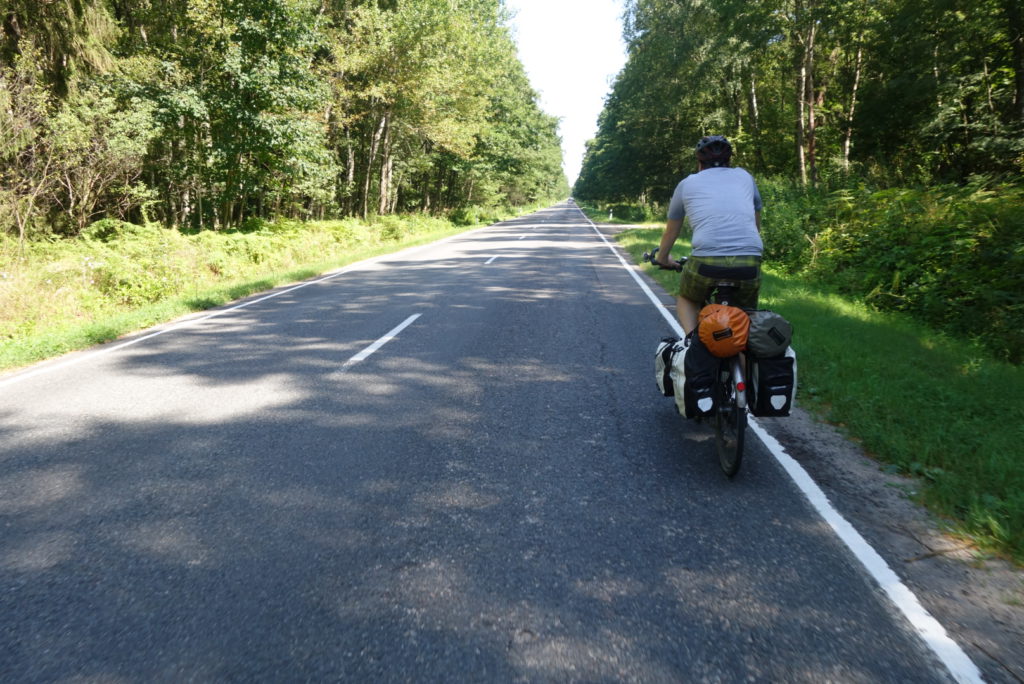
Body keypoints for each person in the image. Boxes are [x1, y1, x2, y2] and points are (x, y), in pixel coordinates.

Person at [656, 135, 763, 334]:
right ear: (729, 160)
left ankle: (692, 343)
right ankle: (744, 359)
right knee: (743, 317)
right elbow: (756, 221)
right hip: (749, 260)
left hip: (706, 261)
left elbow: (672, 230)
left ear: (699, 162)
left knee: (687, 299)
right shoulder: (745, 176)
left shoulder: (687, 184)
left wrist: (663, 258)